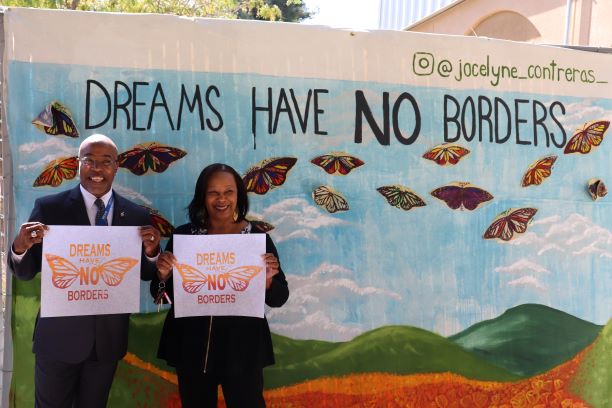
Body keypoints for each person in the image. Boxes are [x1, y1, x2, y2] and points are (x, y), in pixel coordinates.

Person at [8, 134, 162, 408]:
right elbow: (25, 272)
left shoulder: (136, 216)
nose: (97, 169)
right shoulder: (49, 209)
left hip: (106, 343)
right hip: (58, 340)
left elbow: (146, 275)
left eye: (106, 162)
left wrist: (151, 254)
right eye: (89, 161)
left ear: (116, 167)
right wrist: (20, 247)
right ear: (78, 164)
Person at [152, 163, 289, 408]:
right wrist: (162, 276)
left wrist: (267, 280)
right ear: (202, 197)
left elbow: (279, 298)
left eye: (228, 192)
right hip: (192, 349)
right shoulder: (185, 237)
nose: (221, 199)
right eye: (213, 192)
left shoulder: (257, 239)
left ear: (238, 195)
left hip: (243, 350)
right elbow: (161, 296)